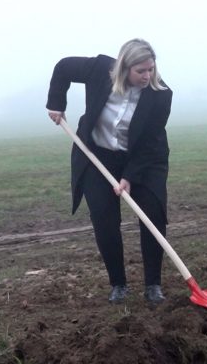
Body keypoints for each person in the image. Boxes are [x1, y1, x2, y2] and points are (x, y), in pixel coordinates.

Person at [46, 38, 173, 305]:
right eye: (141, 71)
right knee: (104, 219)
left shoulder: (160, 94)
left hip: (144, 160)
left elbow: (150, 143)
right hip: (97, 155)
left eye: (151, 69)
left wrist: (129, 177)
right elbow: (63, 68)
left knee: (152, 216)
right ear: (124, 68)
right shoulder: (99, 70)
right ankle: (118, 284)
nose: (147, 75)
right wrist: (56, 103)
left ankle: (153, 285)